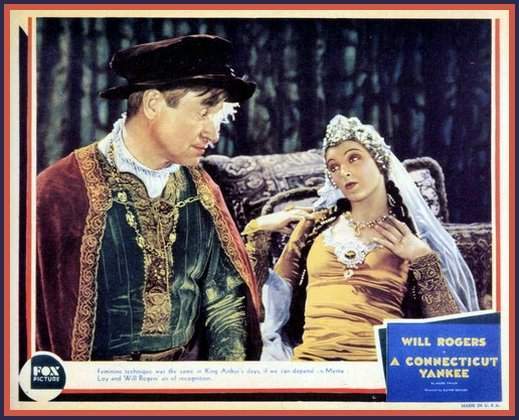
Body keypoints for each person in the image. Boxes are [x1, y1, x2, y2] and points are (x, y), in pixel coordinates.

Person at [36, 34, 262, 361]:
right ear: (153, 104)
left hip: (187, 381)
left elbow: (225, 299)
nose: (213, 133)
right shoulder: (60, 190)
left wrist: (223, 376)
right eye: (203, 113)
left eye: (217, 117)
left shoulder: (202, 191)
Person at [243, 115, 480, 361]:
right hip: (311, 365)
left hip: (378, 367)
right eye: (333, 167)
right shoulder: (314, 228)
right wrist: (258, 230)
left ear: (379, 162)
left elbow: (450, 334)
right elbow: (260, 305)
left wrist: (421, 258)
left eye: (354, 158)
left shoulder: (409, 234)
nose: (344, 172)